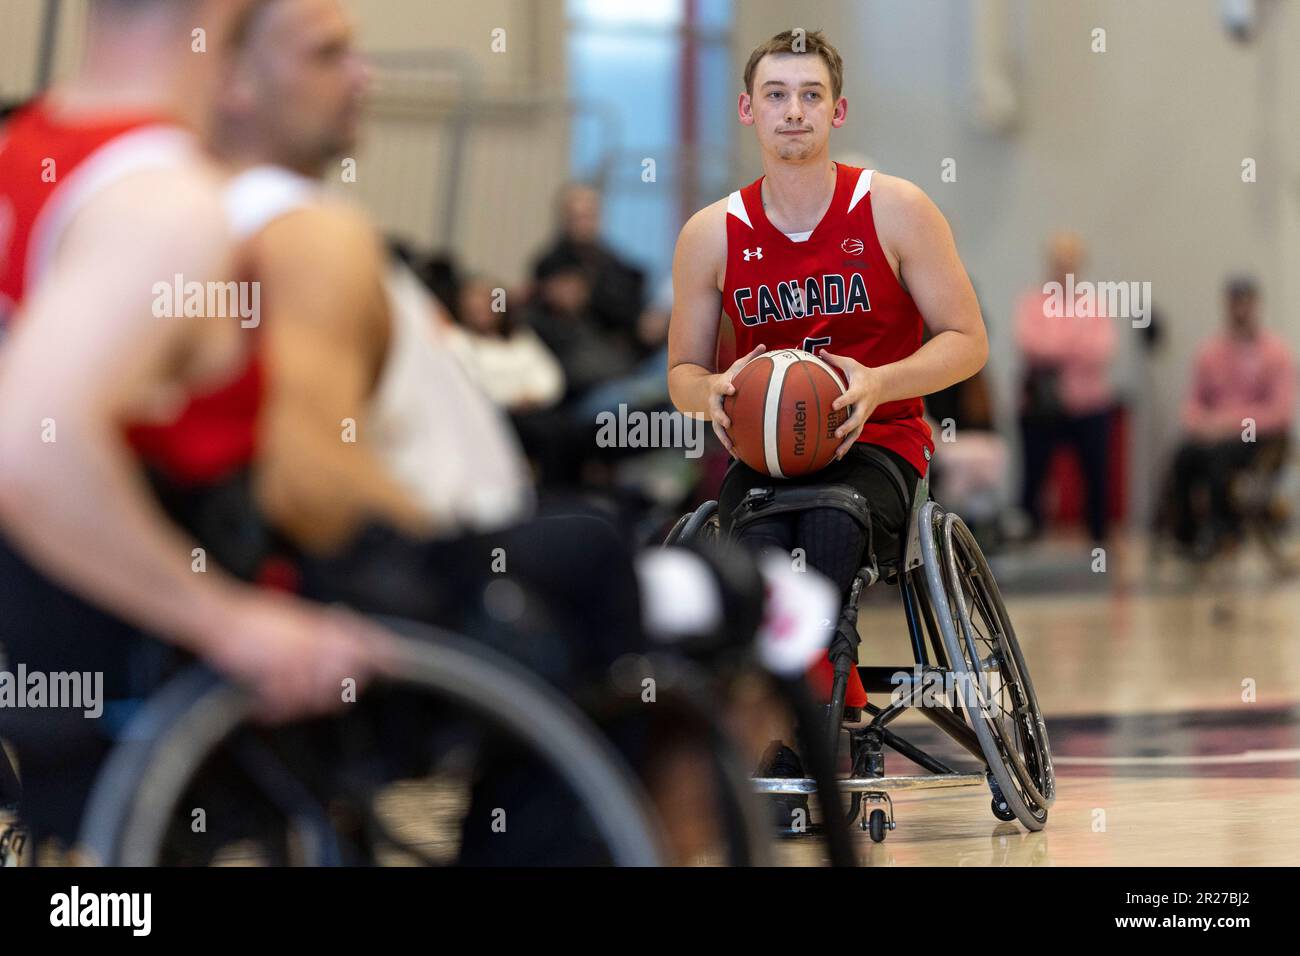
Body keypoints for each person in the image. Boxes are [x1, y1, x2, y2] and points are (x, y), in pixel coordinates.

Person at [0, 0, 383, 853]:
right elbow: (25, 452)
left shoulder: (22, 157)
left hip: (59, 676)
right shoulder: (165, 202)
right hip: (156, 677)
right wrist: (226, 620)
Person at [666, 29, 988, 814]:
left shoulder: (896, 208)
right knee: (756, 553)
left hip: (878, 442)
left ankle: (811, 725)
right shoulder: (711, 233)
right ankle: (778, 718)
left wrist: (881, 382)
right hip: (770, 451)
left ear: (837, 110)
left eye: (810, 95)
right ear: (748, 110)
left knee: (833, 528)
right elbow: (681, 373)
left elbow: (969, 341)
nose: (793, 111)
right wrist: (713, 390)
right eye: (776, 95)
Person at [1169, 277, 1295, 558]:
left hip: (1256, 436)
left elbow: (1280, 410)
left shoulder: (1275, 352)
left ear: (1256, 306)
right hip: (1215, 433)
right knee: (1184, 455)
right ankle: (1186, 534)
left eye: (1245, 303)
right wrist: (1202, 424)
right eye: (1234, 303)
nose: (1240, 310)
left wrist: (1233, 423)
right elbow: (1192, 403)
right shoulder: (1210, 352)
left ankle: (1223, 531)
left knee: (1220, 458)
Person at [1015, 232, 1119, 544]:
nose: (1064, 268)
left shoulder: (1094, 304)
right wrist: (1074, 347)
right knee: (1033, 475)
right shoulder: (1032, 303)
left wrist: (1056, 350)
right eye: (1059, 261)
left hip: (1088, 406)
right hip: (1042, 407)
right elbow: (1030, 345)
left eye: (1070, 261)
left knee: (1097, 475)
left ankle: (1098, 538)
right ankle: (1029, 534)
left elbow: (1103, 349)